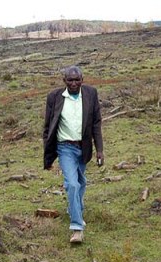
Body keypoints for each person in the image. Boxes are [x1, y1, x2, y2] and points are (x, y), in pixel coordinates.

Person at [43, 66, 104, 243]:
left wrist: (99, 149)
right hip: (65, 148)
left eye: (77, 79)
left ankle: (74, 207)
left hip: (83, 147)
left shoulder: (91, 94)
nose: (74, 83)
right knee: (72, 184)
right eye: (70, 80)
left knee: (81, 181)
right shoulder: (54, 97)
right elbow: (48, 127)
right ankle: (77, 227)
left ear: (82, 80)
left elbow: (96, 124)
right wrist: (47, 155)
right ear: (64, 81)